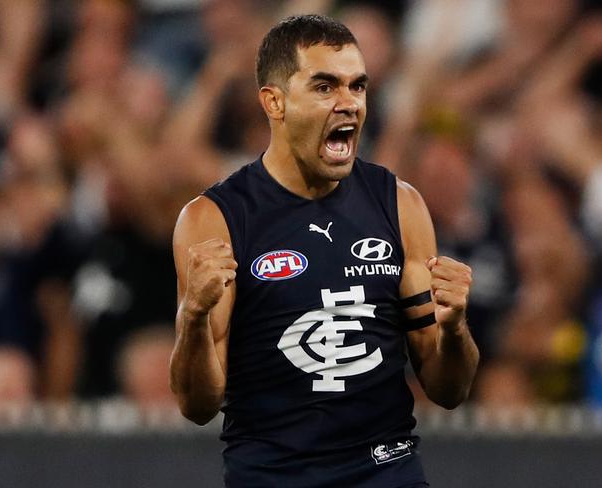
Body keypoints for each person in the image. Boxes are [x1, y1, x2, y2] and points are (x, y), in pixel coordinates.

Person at [170, 14, 479, 488]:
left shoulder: (401, 205)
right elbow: (197, 406)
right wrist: (192, 318)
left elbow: (448, 389)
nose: (348, 104)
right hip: (273, 478)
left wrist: (455, 328)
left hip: (386, 472)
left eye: (357, 87)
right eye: (324, 87)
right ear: (274, 102)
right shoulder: (214, 220)